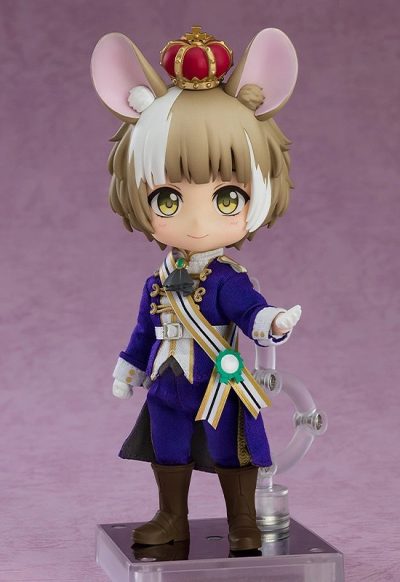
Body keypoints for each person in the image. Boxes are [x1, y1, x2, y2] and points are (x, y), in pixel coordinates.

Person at [91, 25, 301, 551]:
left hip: (218, 384)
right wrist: (127, 367)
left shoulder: (226, 278)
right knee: (167, 447)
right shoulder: (157, 281)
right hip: (166, 382)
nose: (198, 222)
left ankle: (242, 521)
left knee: (231, 450)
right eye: (168, 200)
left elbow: (250, 312)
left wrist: (272, 322)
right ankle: (171, 517)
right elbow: (144, 332)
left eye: (227, 198)